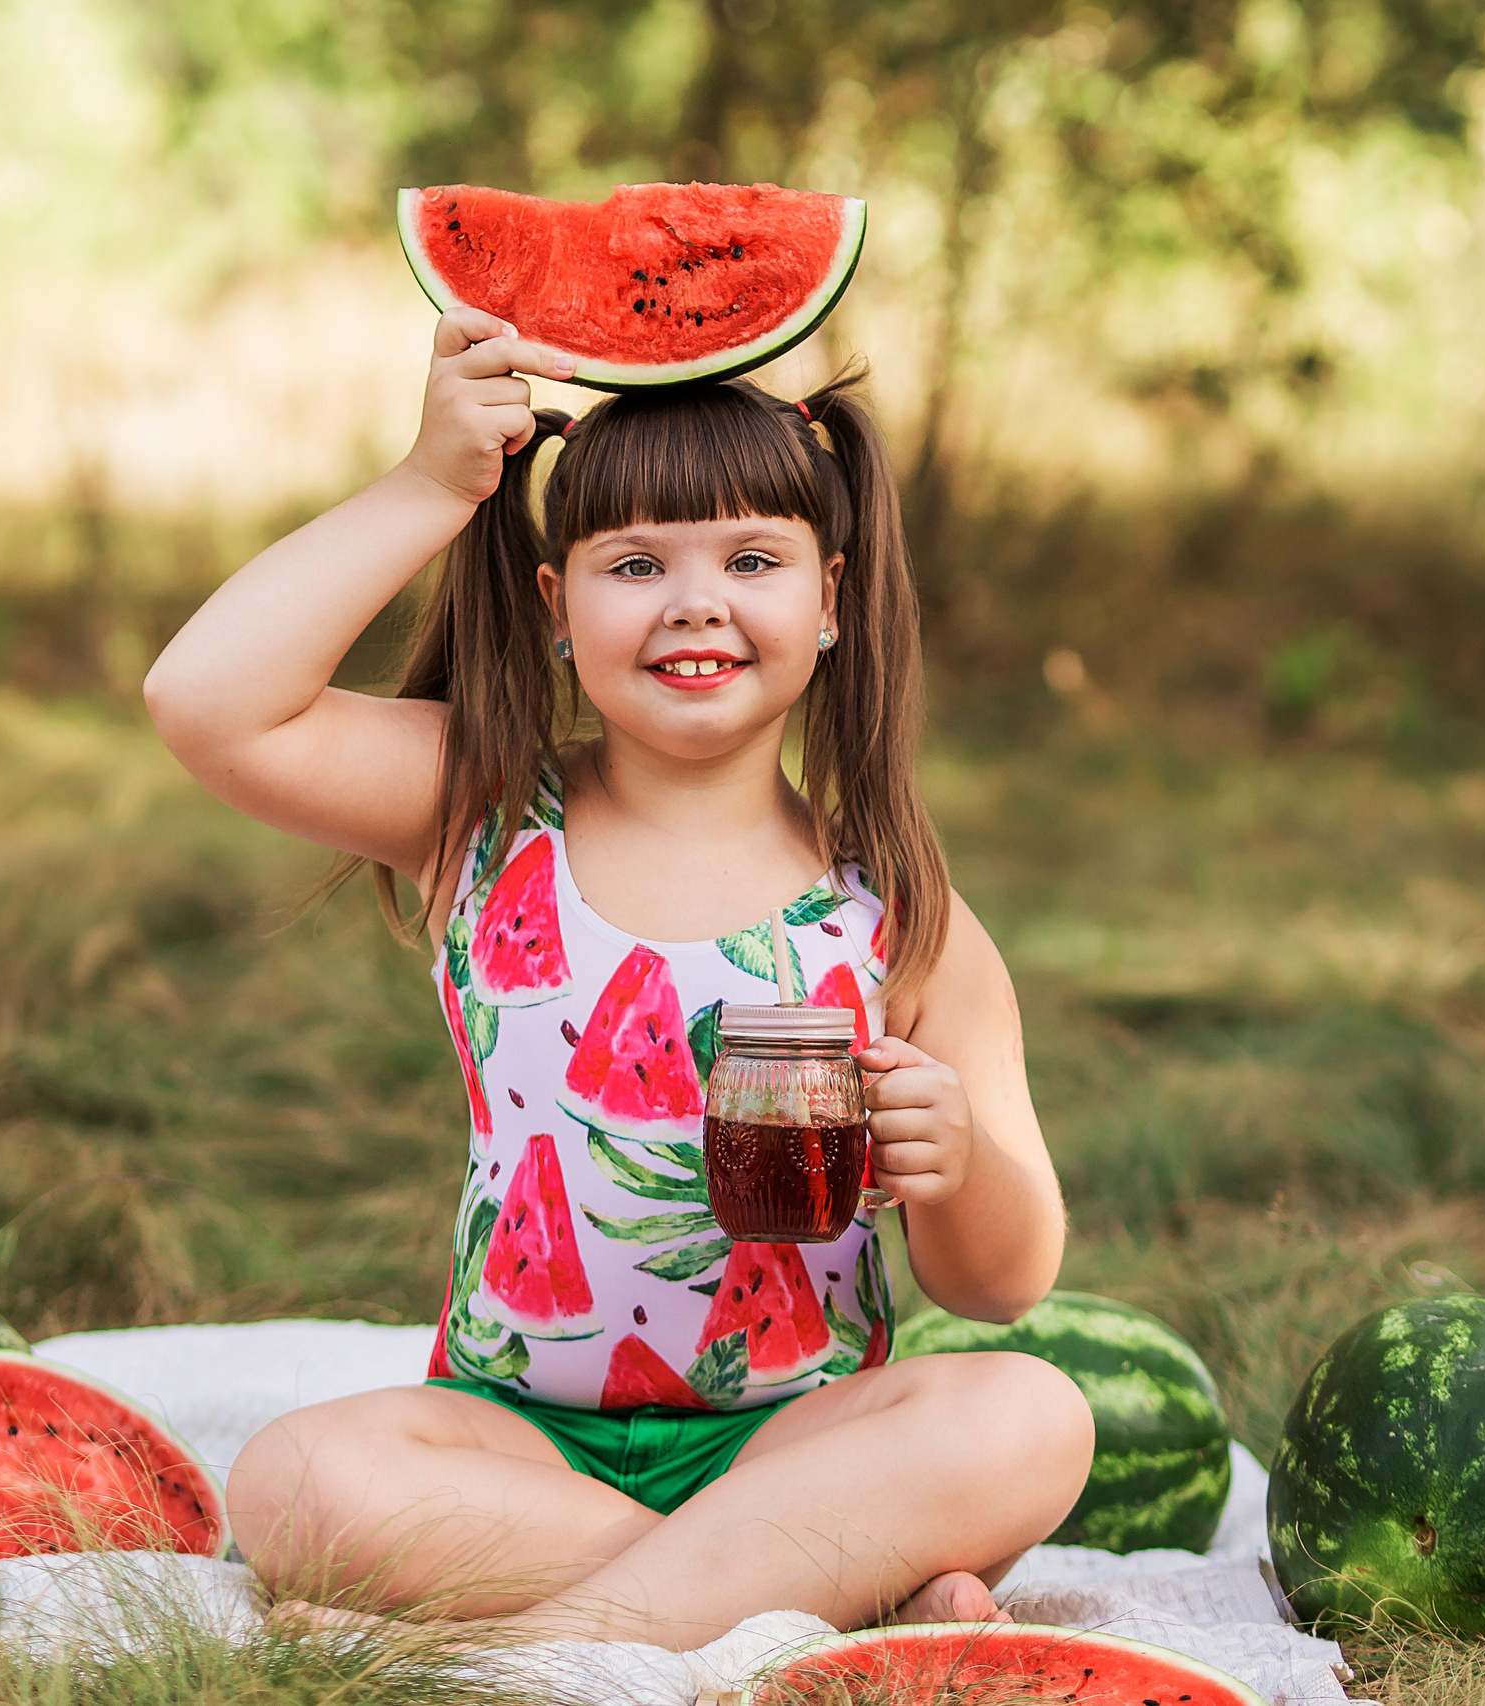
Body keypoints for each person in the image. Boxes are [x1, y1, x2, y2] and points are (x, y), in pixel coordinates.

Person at [140, 307, 1090, 1651]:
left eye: (752, 558)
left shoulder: (903, 918)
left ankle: (545, 1647)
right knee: (292, 1477)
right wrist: (429, 484)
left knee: (1031, 1415)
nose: (695, 599)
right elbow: (204, 700)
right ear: (557, 607)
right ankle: (820, 1589)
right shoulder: (476, 807)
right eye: (635, 563)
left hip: (797, 1438)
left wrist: (961, 1160)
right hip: (515, 1439)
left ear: (828, 598)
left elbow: (1007, 1281)